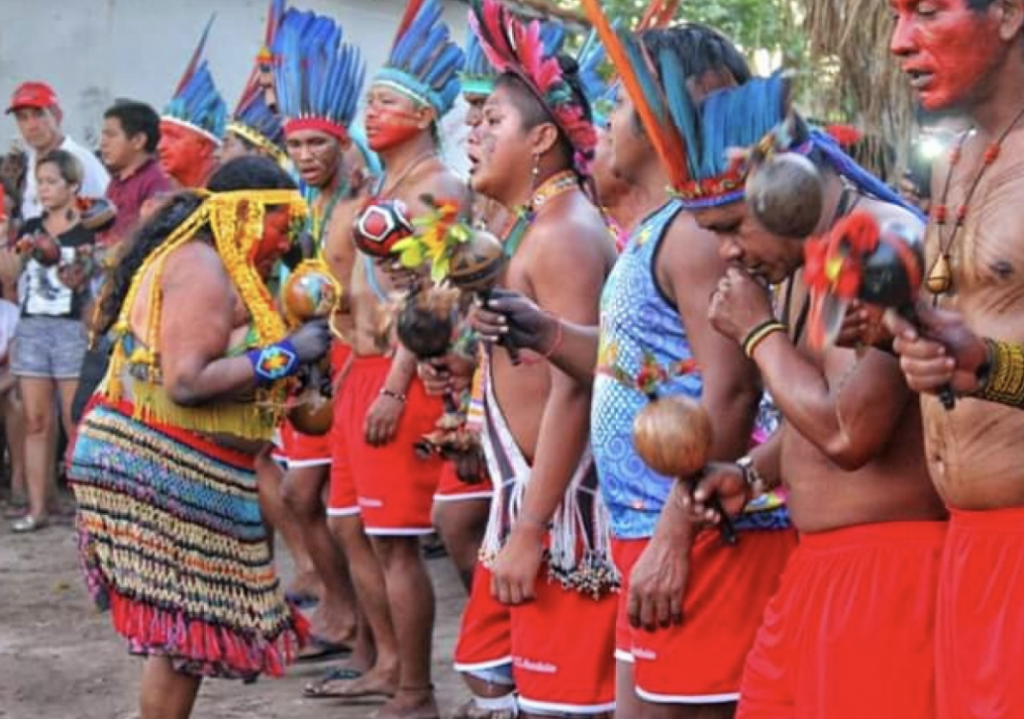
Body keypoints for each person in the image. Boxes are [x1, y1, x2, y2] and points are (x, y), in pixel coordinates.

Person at [664, 73, 946, 718]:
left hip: (888, 579)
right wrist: (749, 473)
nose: (729, 254)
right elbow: (816, 408)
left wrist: (758, 331)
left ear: (784, 192)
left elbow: (851, 434)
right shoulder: (809, 258)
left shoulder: (875, 240)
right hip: (817, 572)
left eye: (734, 226)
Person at [68, 155, 327, 719]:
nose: (288, 242)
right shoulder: (202, 267)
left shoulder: (226, 268)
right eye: (283, 226)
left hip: (187, 464)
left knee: (181, 637)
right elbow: (187, 381)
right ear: (245, 215)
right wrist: (286, 353)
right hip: (158, 462)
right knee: (181, 634)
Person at [455, 2, 619, 716]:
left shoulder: (564, 234)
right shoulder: (532, 228)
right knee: (487, 674)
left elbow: (580, 389)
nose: (473, 132)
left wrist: (532, 531)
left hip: (562, 515)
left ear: (542, 139)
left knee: (562, 703)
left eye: (492, 120)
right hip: (525, 500)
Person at [313, 2, 467, 715]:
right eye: (369, 99)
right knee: (350, 525)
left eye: (388, 100)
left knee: (396, 539)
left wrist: (398, 386)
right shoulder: (379, 189)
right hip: (359, 373)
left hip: (396, 380)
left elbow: (432, 303)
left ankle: (416, 687)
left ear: (427, 112)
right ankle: (386, 660)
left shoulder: (439, 188)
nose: (371, 112)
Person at [884, 2, 1024, 717]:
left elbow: (988, 352)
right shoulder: (958, 161)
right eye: (896, 16)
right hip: (965, 551)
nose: (899, 42)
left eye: (928, 12)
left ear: (1007, 15)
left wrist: (993, 366)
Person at [271, 6, 368, 678]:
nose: (306, 156)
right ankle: (342, 610)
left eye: (317, 145)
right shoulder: (303, 204)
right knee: (308, 501)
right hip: (311, 371)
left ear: (341, 142)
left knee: (324, 506)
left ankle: (354, 619)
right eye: (296, 145)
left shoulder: (358, 203)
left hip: (348, 368)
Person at [2, 150, 97, 532]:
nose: (43, 189)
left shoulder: (89, 227)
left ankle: (86, 509)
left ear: (72, 185)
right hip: (34, 327)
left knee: (75, 420)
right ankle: (38, 507)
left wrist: (81, 262)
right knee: (35, 420)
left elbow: (86, 277)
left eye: (51, 181)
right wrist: (9, 238)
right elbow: (9, 274)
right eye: (39, 181)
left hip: (72, 328)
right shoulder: (30, 228)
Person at [5, 81, 109, 221]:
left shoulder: (80, 160)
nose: (31, 126)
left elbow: (104, 216)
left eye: (39, 114)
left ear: (58, 116)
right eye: (22, 118)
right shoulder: (26, 162)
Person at [158, 19, 227, 189]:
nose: (161, 146)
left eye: (173, 137)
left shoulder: (225, 202)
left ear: (203, 146)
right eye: (162, 136)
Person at [99, 101, 173, 248]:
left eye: (111, 135)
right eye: (103, 135)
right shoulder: (115, 181)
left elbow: (151, 238)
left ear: (138, 141)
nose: (102, 143)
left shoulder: (156, 181)